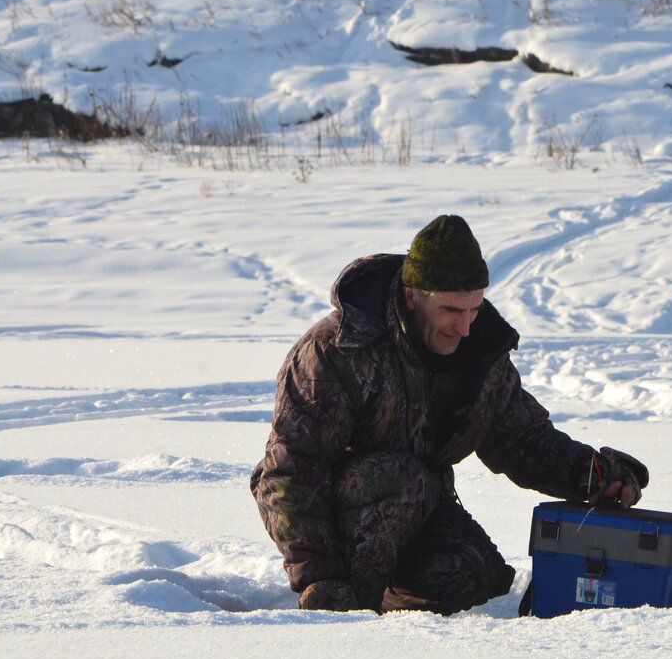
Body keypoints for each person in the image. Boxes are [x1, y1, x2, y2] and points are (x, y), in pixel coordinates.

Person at [250, 214, 648, 615]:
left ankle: (390, 601)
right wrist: (319, 576)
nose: (465, 327)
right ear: (412, 295)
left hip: (417, 505)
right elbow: (290, 472)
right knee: (399, 479)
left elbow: (520, 437)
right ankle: (350, 608)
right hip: (334, 513)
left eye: (474, 309)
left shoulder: (479, 353)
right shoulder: (336, 350)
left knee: (476, 577)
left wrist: (591, 474)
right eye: (451, 310)